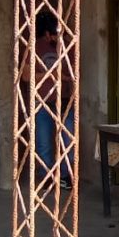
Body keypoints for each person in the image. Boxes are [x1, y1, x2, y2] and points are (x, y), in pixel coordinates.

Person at [23, 11, 75, 190]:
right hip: (42, 101)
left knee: (68, 140)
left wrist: (65, 78)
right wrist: (50, 74)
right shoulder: (34, 48)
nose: (58, 38)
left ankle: (64, 176)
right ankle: (46, 177)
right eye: (54, 34)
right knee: (44, 141)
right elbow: (25, 76)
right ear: (46, 34)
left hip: (64, 99)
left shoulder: (67, 46)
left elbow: (72, 73)